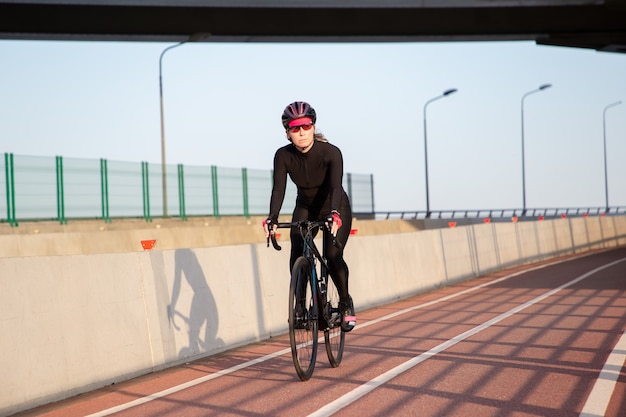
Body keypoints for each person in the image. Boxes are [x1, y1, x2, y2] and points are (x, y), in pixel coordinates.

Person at [262, 101, 356, 332]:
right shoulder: (283, 156)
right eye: (295, 128)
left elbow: (335, 187)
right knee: (297, 247)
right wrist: (272, 218)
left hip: (334, 206)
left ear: (313, 127)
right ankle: (300, 306)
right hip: (305, 206)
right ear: (287, 133)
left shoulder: (331, 153)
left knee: (333, 255)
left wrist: (335, 214)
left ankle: (345, 303)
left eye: (305, 126)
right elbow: (278, 189)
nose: (301, 132)